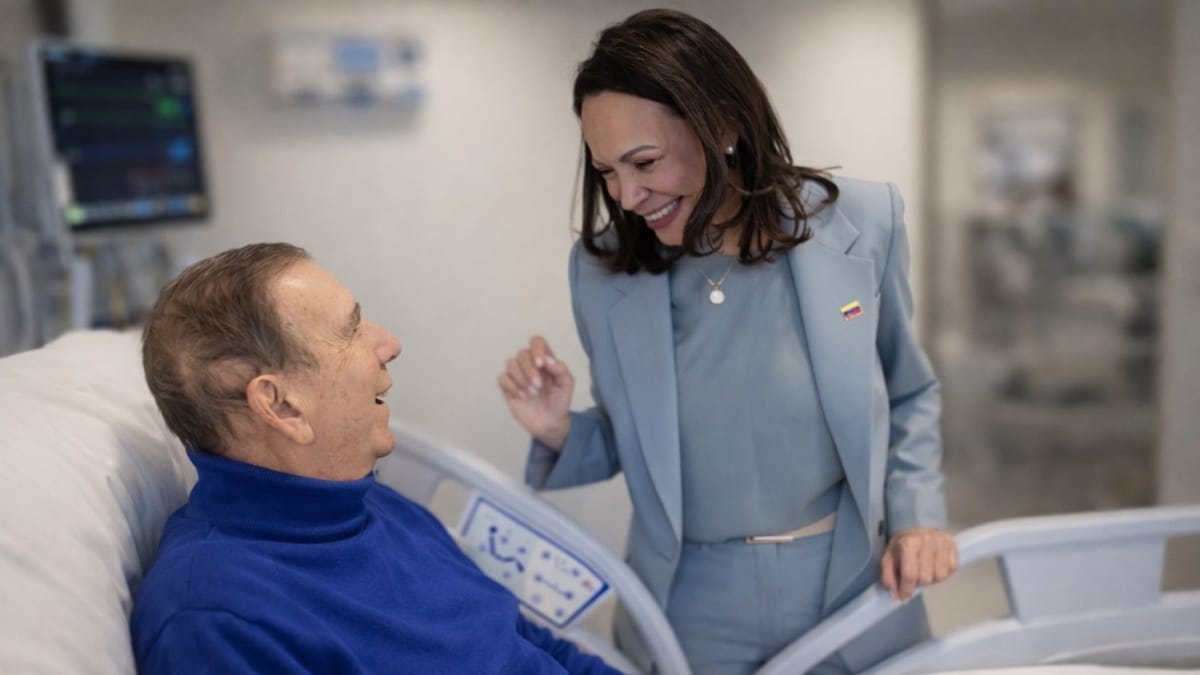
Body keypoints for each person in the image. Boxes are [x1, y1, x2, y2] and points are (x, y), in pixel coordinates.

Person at [498, 9, 957, 674]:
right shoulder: (603, 272)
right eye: (606, 172)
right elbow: (638, 442)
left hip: (851, 581)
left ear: (723, 125)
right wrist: (559, 430)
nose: (626, 195)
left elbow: (908, 389)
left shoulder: (863, 222)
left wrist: (919, 514)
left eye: (644, 161)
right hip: (689, 599)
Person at [133, 243, 621, 674]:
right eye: (351, 331)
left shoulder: (375, 506)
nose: (389, 344)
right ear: (281, 405)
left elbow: (523, 640)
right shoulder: (215, 622)